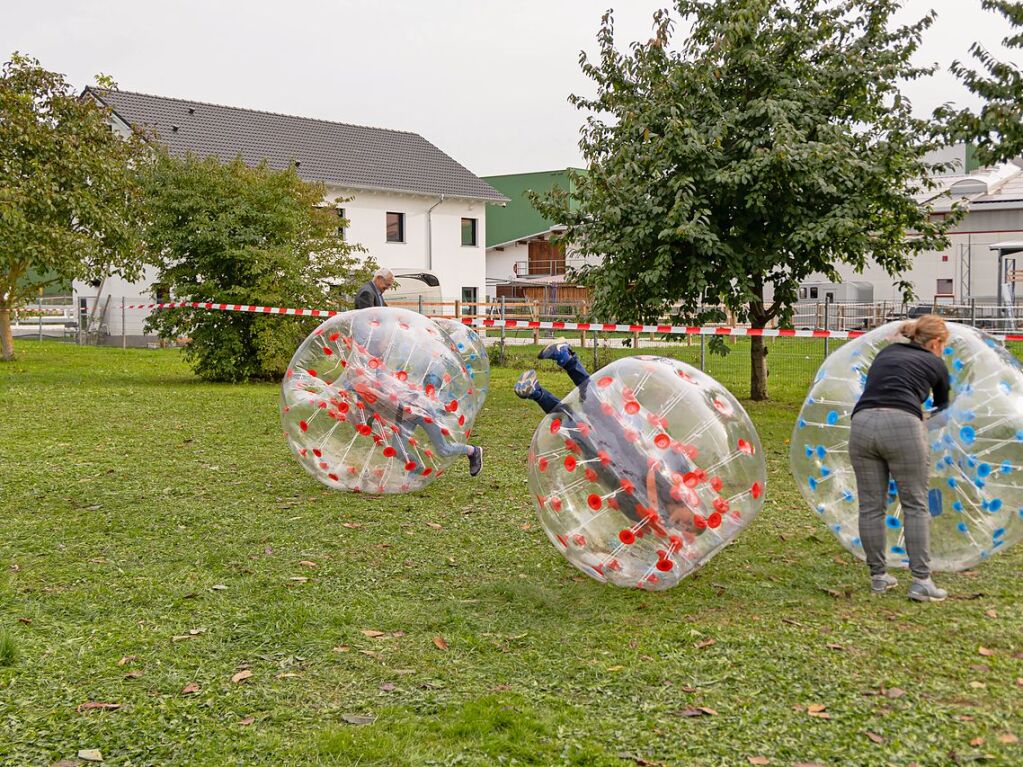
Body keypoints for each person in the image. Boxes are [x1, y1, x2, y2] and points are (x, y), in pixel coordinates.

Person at [515, 339, 698, 536]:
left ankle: (535, 392)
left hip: (605, 464)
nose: (683, 525)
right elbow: (663, 456)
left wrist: (642, 517)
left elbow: (624, 503)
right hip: (625, 441)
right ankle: (566, 358)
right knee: (594, 405)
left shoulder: (654, 518)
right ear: (692, 509)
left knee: (572, 427)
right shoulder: (681, 481)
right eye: (690, 522)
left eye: (685, 529)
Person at [850, 315, 951, 602]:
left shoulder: (887, 352)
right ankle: (921, 580)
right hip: (903, 425)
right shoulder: (936, 364)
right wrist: (926, 424)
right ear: (935, 343)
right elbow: (943, 410)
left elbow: (880, 388)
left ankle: (878, 577)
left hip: (862, 423)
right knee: (915, 505)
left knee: (870, 506)